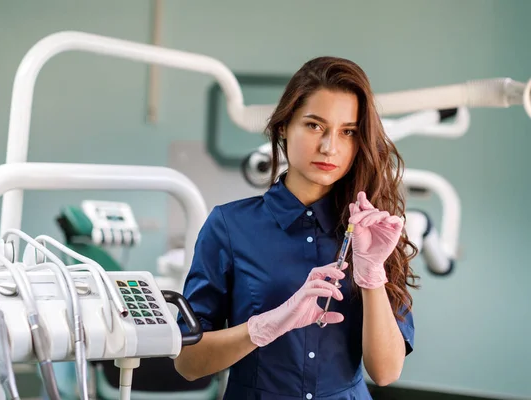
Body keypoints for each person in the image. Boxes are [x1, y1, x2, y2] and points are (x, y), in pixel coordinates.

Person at [174, 56, 419, 400]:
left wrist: (372, 275)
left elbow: (386, 371)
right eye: (314, 125)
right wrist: (262, 328)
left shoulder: (373, 232)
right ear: (283, 127)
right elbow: (187, 362)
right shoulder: (229, 226)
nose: (329, 147)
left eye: (347, 132)